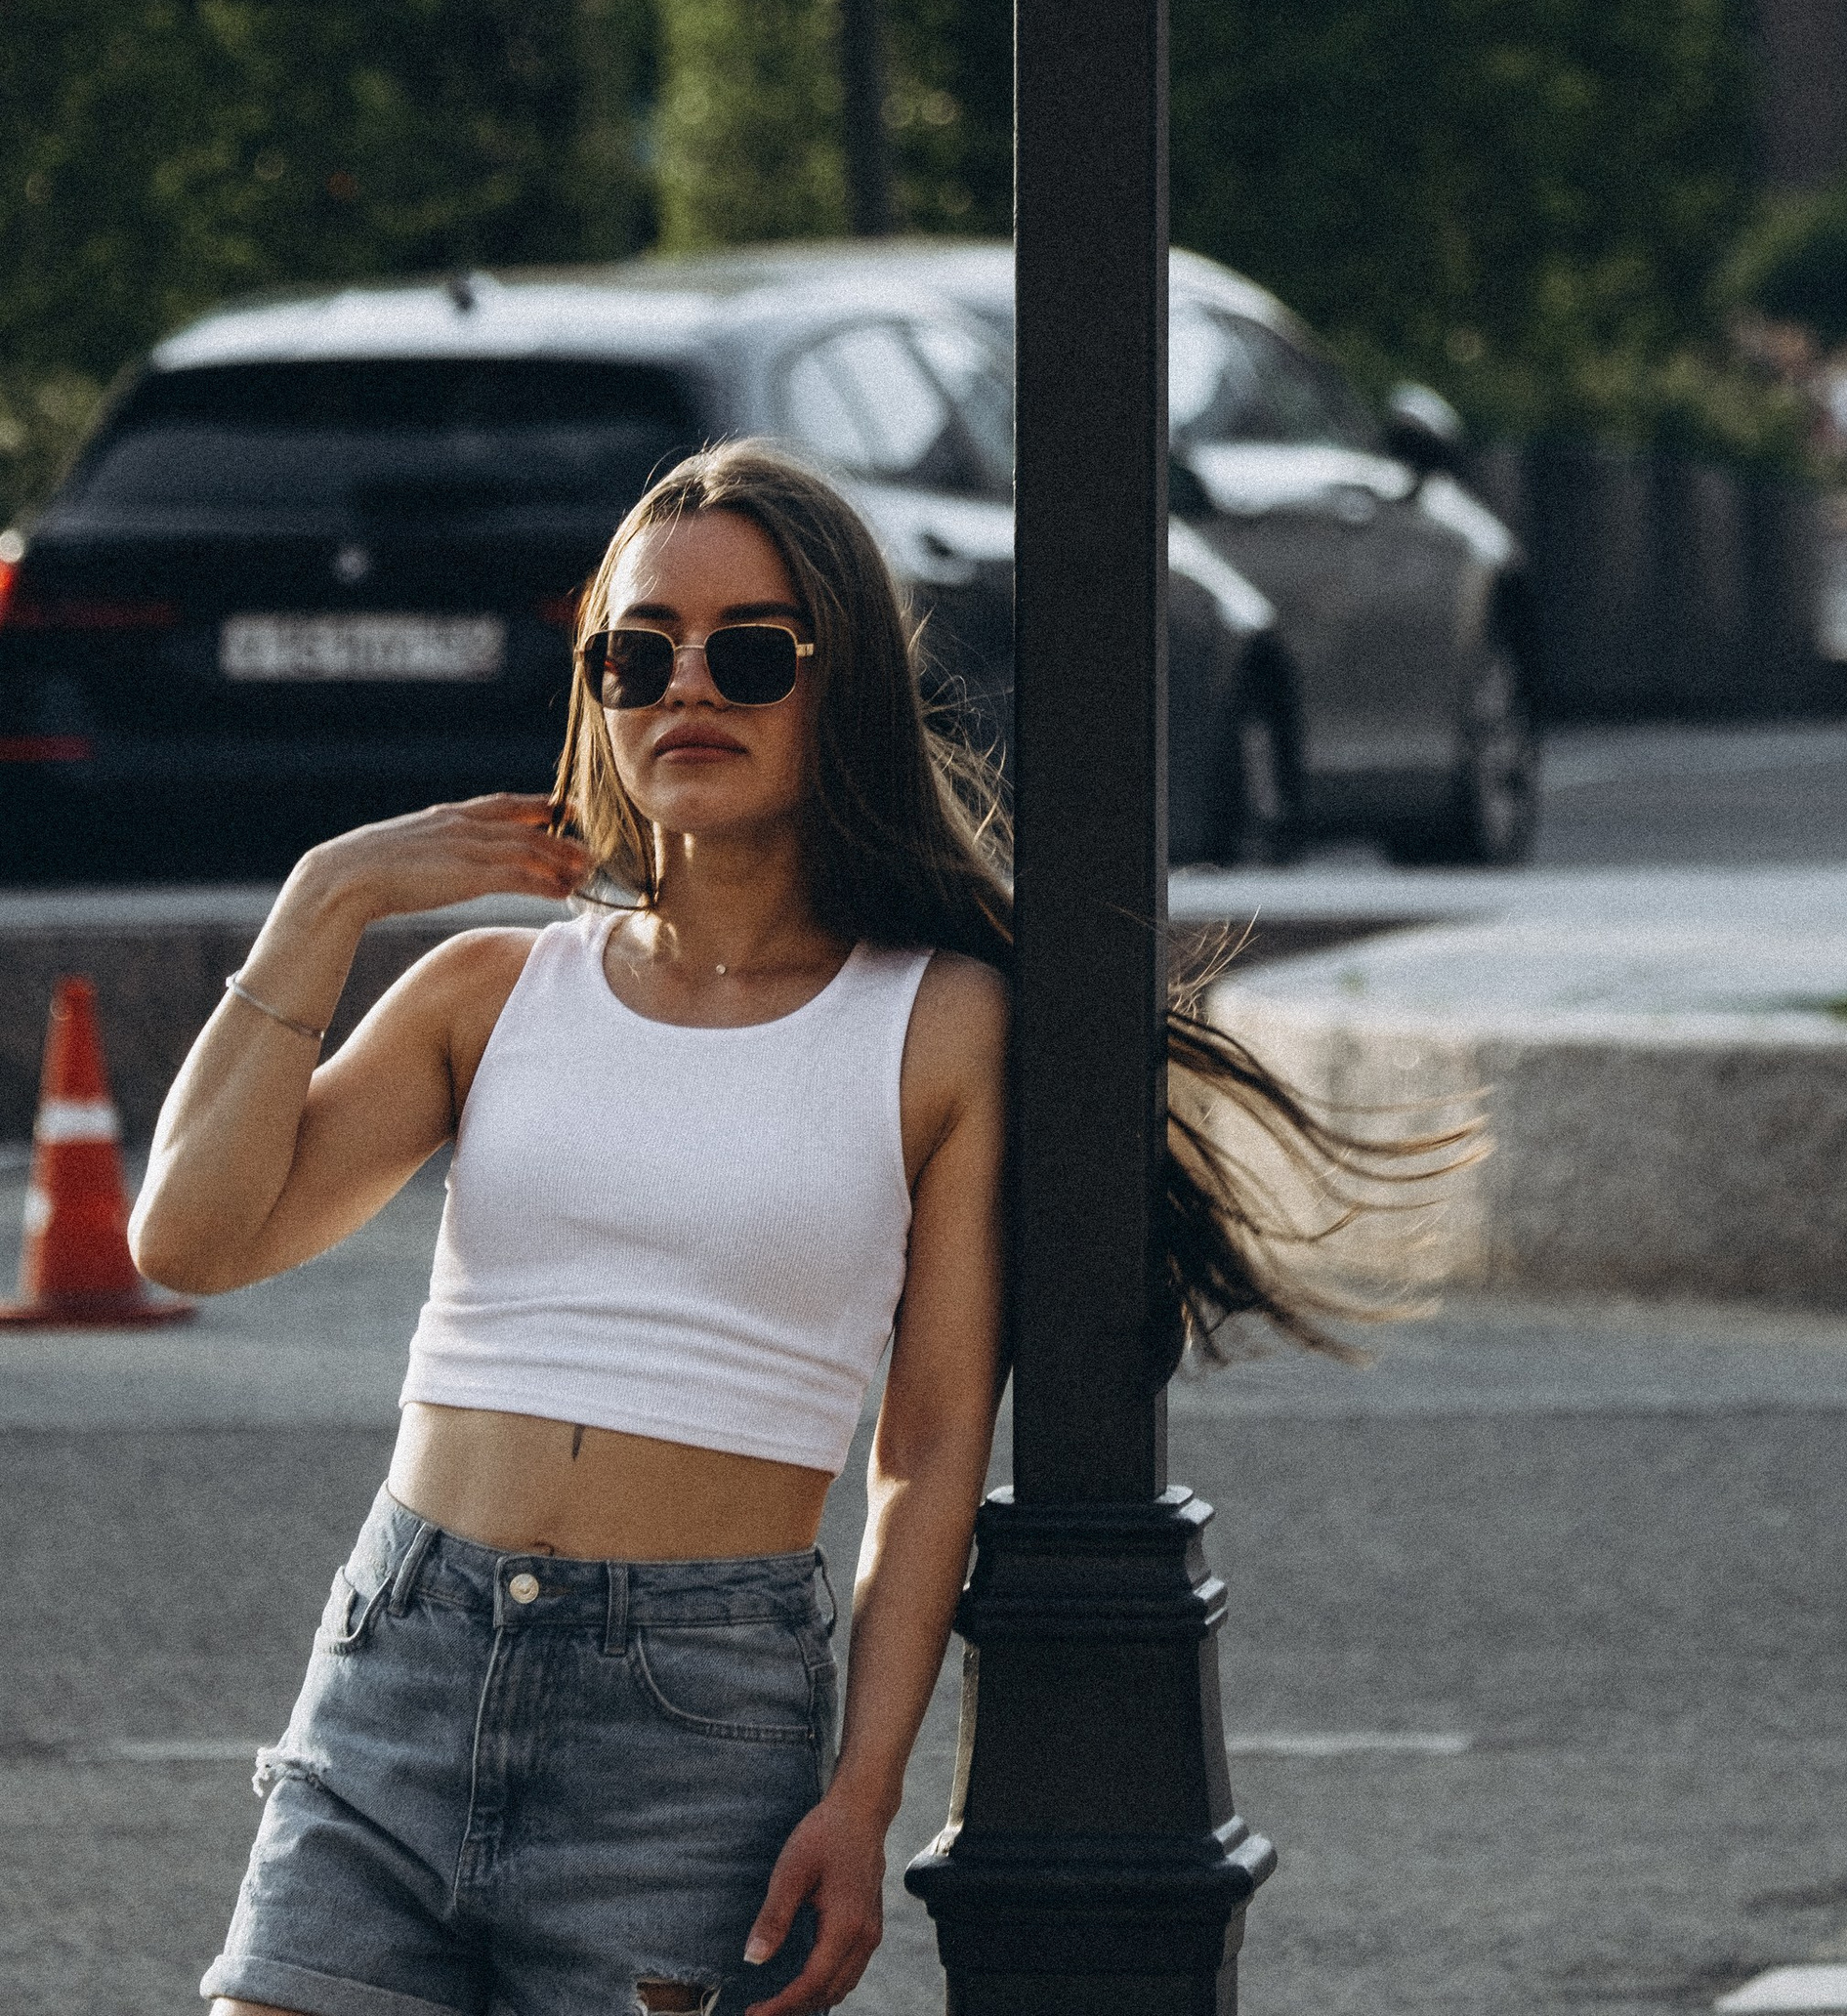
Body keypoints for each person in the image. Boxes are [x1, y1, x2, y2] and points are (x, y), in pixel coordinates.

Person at [134, 439, 1394, 2016]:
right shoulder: (487, 992)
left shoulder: (938, 1025)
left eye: (747, 653)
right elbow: (187, 1239)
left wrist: (862, 1800)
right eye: (637, 654)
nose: (687, 692)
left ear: (839, 684)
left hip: (693, 1715)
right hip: (401, 1661)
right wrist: (324, 899)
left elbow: (929, 1447)